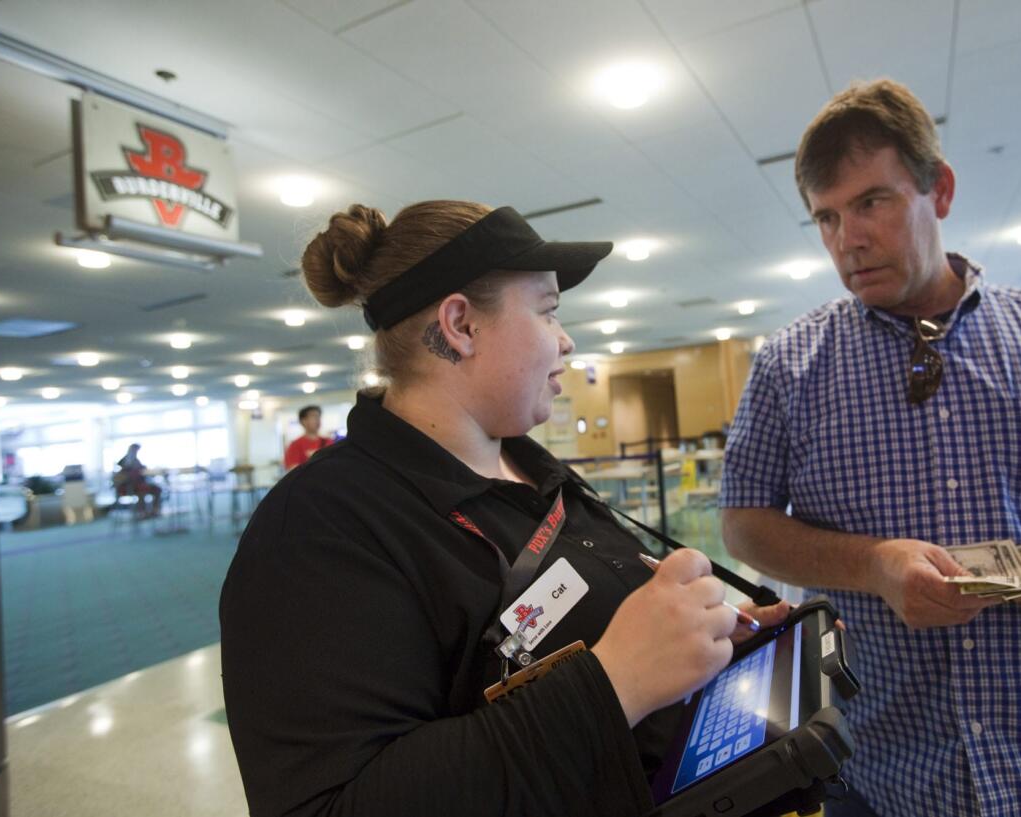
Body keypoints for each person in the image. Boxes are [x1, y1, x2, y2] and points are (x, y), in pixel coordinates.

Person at [720, 79, 1021, 817]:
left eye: (873, 201)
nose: (848, 237)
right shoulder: (788, 366)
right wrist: (871, 564)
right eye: (826, 216)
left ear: (937, 190)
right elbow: (744, 520)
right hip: (884, 765)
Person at [219, 200, 789, 817]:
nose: (566, 341)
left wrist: (711, 638)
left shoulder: (535, 469)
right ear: (461, 325)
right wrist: (615, 682)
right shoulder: (320, 526)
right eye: (548, 311)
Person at [113, 443, 162, 518]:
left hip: (139, 485)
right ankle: (142, 512)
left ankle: (154, 510)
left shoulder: (136, 460)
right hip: (130, 487)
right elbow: (128, 476)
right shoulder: (125, 461)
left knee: (156, 489)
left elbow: (142, 471)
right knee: (141, 491)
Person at [282, 404, 331, 469]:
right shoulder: (295, 445)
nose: (317, 420)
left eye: (318, 417)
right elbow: (293, 470)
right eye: (314, 417)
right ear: (303, 421)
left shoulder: (328, 442)